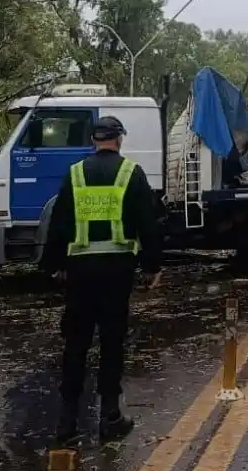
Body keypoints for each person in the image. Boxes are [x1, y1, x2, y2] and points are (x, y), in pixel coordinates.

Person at [39, 115, 162, 445]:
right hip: (117, 272)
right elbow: (147, 222)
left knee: (76, 344)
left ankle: (66, 423)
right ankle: (110, 417)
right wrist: (152, 266)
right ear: (119, 139)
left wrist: (53, 265)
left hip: (80, 272)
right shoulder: (130, 173)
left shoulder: (75, 173)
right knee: (111, 343)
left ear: (94, 140)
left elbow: (59, 221)